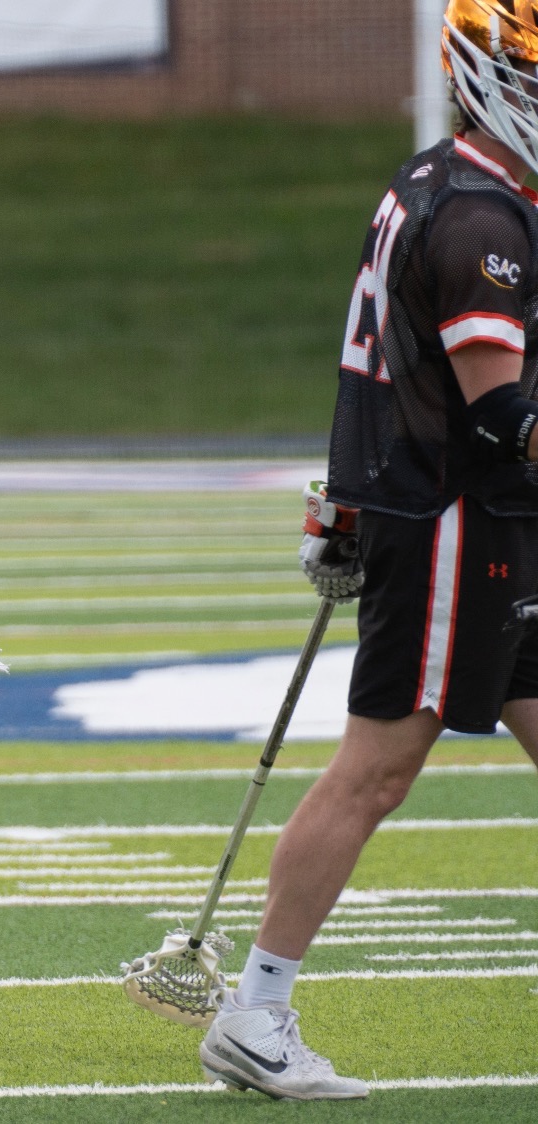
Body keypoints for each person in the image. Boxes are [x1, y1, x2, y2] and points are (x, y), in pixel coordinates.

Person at [203, 0, 538, 1100]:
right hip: (454, 521)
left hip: (461, 513)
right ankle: (256, 1010)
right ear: (488, 78)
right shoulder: (481, 217)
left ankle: (256, 1006)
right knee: (376, 769)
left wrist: (346, 500)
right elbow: (501, 415)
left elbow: (383, 359)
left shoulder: (432, 179)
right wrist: (362, 501)